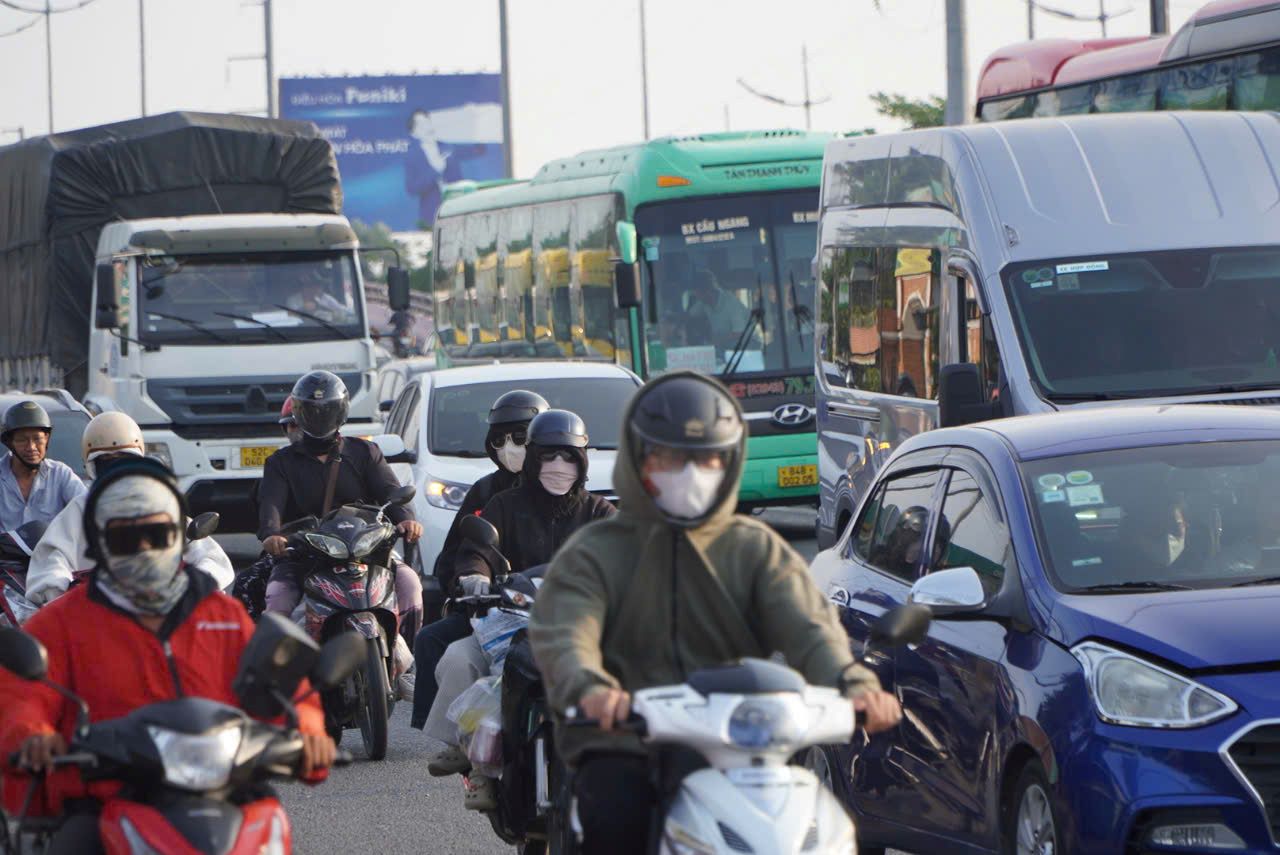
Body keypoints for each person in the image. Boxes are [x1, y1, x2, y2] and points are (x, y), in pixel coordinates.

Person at [528, 372, 902, 855]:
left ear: (728, 463)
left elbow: (809, 630)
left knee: (822, 824)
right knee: (614, 816)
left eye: (706, 458)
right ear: (641, 461)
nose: (691, 472)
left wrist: (854, 686)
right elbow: (566, 631)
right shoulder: (596, 553)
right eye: (671, 458)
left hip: (750, 745)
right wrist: (592, 689)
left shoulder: (756, 549)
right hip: (629, 744)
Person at [0, 457, 335, 853]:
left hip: (222, 794)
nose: (143, 549)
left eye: (157, 534)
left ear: (178, 536)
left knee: (270, 824)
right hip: (104, 797)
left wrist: (309, 732)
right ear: (99, 542)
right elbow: (21, 698)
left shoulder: (224, 616)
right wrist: (34, 737)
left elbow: (281, 689)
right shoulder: (59, 624)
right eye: (127, 538)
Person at [422, 408, 616, 804]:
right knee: (459, 659)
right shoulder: (503, 505)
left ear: (581, 461)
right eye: (548, 457)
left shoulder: (599, 512)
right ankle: (475, 762)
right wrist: (473, 576)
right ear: (533, 459)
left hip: (580, 627)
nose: (558, 467)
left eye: (567, 458)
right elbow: (475, 552)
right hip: (507, 623)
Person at [257, 371, 424, 693]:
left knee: (411, 586)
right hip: (302, 555)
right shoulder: (280, 462)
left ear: (342, 412)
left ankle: (407, 667)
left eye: (327, 411)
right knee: (277, 600)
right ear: (298, 414)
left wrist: (405, 519)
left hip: (365, 550)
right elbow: (271, 508)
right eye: (312, 411)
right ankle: (280, 682)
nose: (320, 418)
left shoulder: (365, 452)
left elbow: (392, 492)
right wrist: (272, 535)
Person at [410, 389, 549, 730]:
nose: (509, 447)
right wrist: (471, 581)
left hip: (561, 607)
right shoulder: (487, 494)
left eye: (520, 437)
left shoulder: (583, 501)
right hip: (495, 608)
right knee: (431, 640)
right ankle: (452, 737)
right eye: (500, 439)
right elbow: (463, 552)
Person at [25, 412, 234, 606]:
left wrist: (191, 587)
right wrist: (61, 590)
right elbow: (50, 563)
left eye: (124, 461)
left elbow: (212, 561)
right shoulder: (80, 509)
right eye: (107, 463)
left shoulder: (160, 502)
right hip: (97, 618)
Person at [0, 400, 86, 534]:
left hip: (52, 554)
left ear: (46, 439)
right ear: (9, 442)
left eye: (37, 439)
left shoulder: (61, 475)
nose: (31, 447)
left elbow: (87, 509)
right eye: (22, 440)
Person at [687, 269, 752, 355]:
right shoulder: (703, 302)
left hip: (747, 348)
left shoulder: (731, 303)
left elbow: (739, 333)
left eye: (698, 294)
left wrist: (717, 340)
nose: (698, 297)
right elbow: (690, 315)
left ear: (708, 291)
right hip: (723, 348)